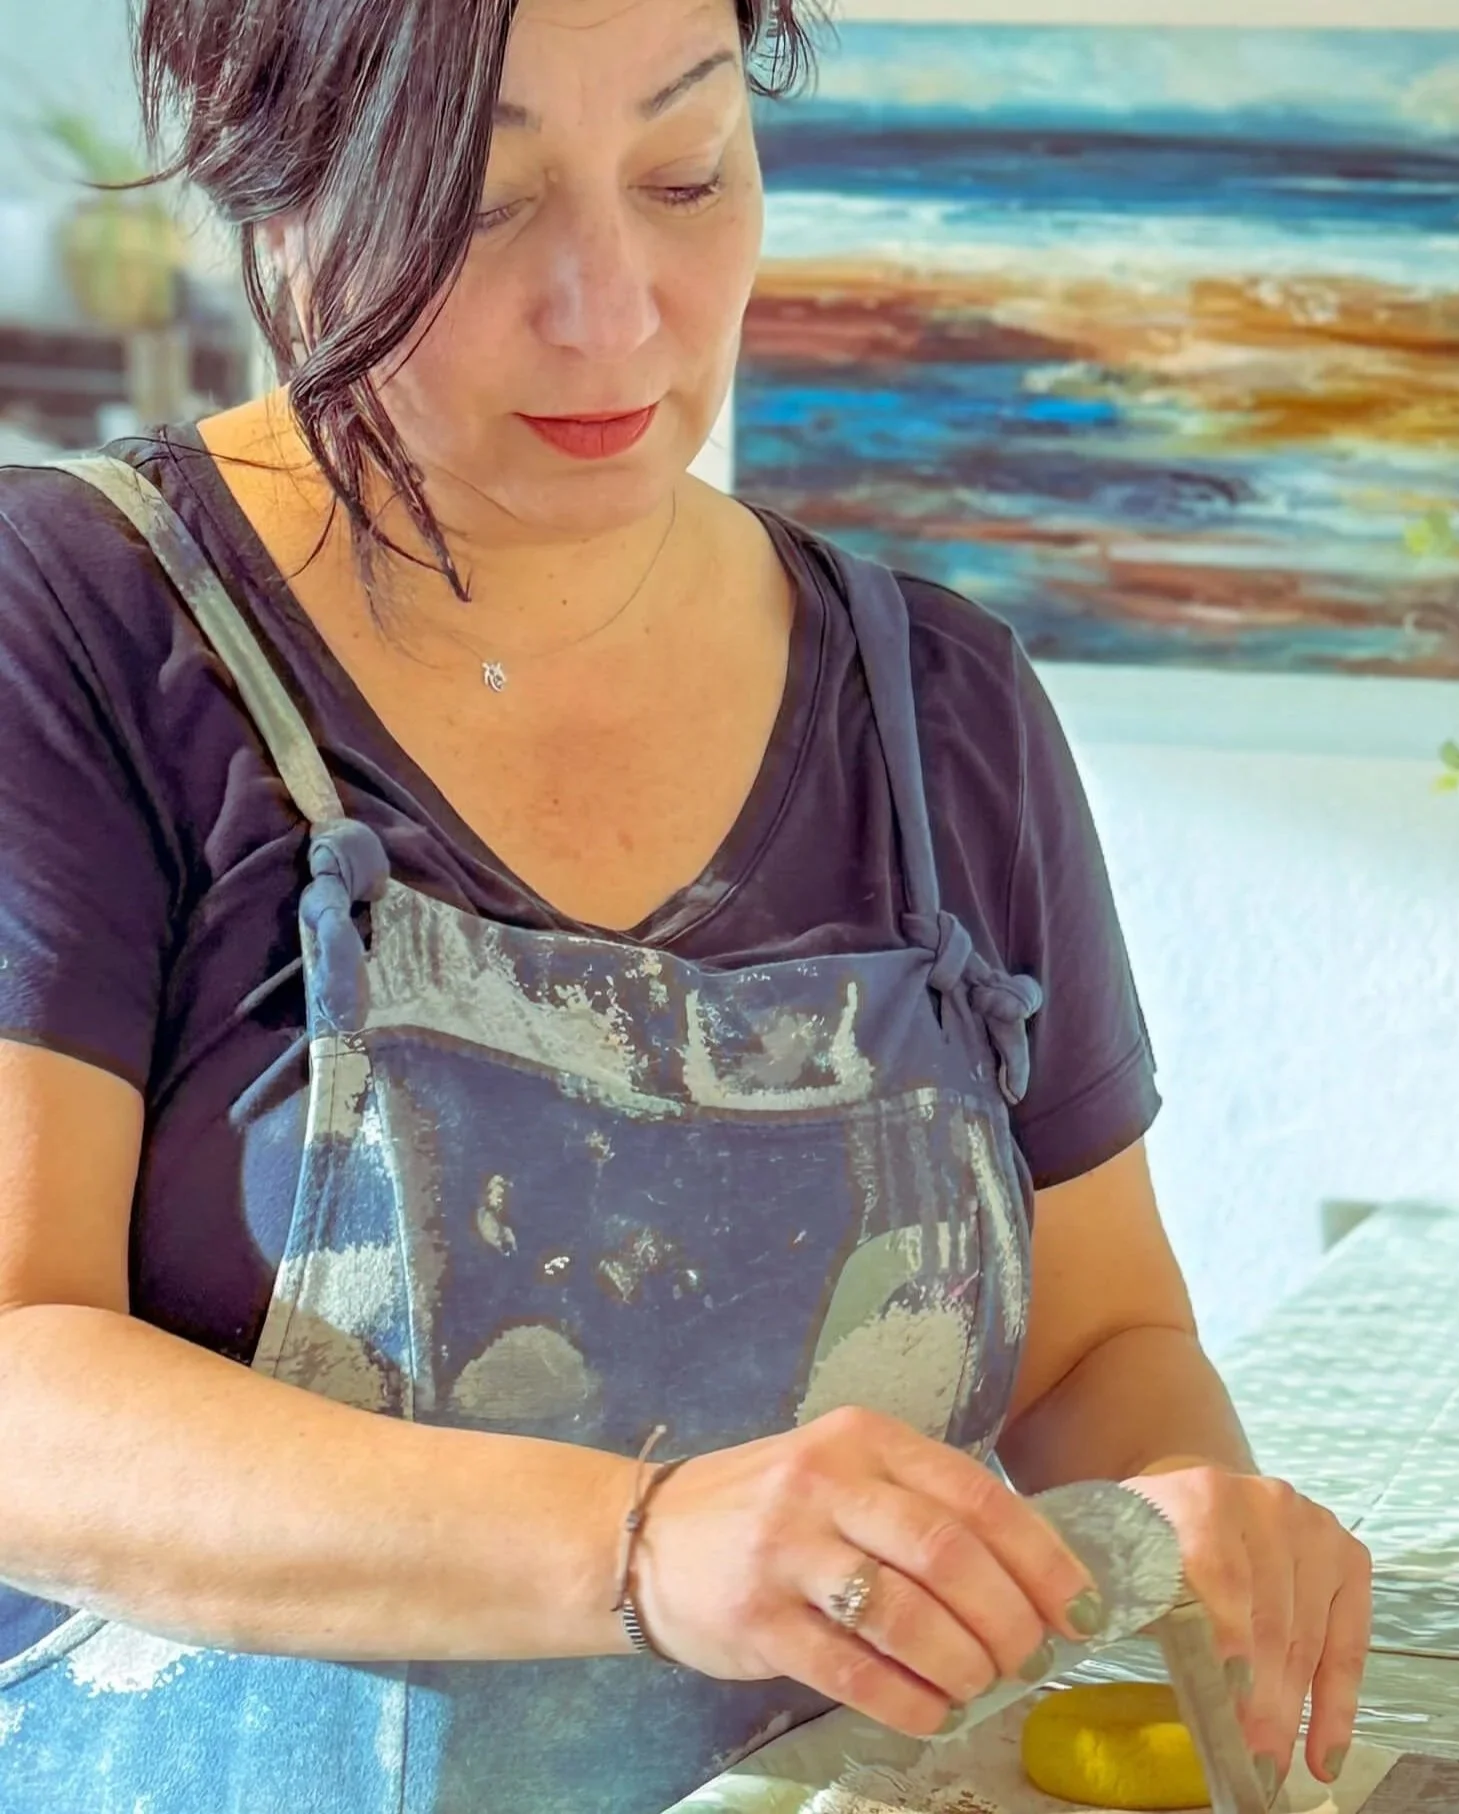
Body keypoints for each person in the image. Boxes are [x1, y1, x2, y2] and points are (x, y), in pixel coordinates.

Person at [0, 2, 1371, 1809]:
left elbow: (1103, 1349)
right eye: (479, 209)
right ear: (269, 186)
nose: (615, 305)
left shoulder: (941, 712)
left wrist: (1188, 1533)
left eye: (685, 171)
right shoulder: (75, 629)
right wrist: (640, 1545)